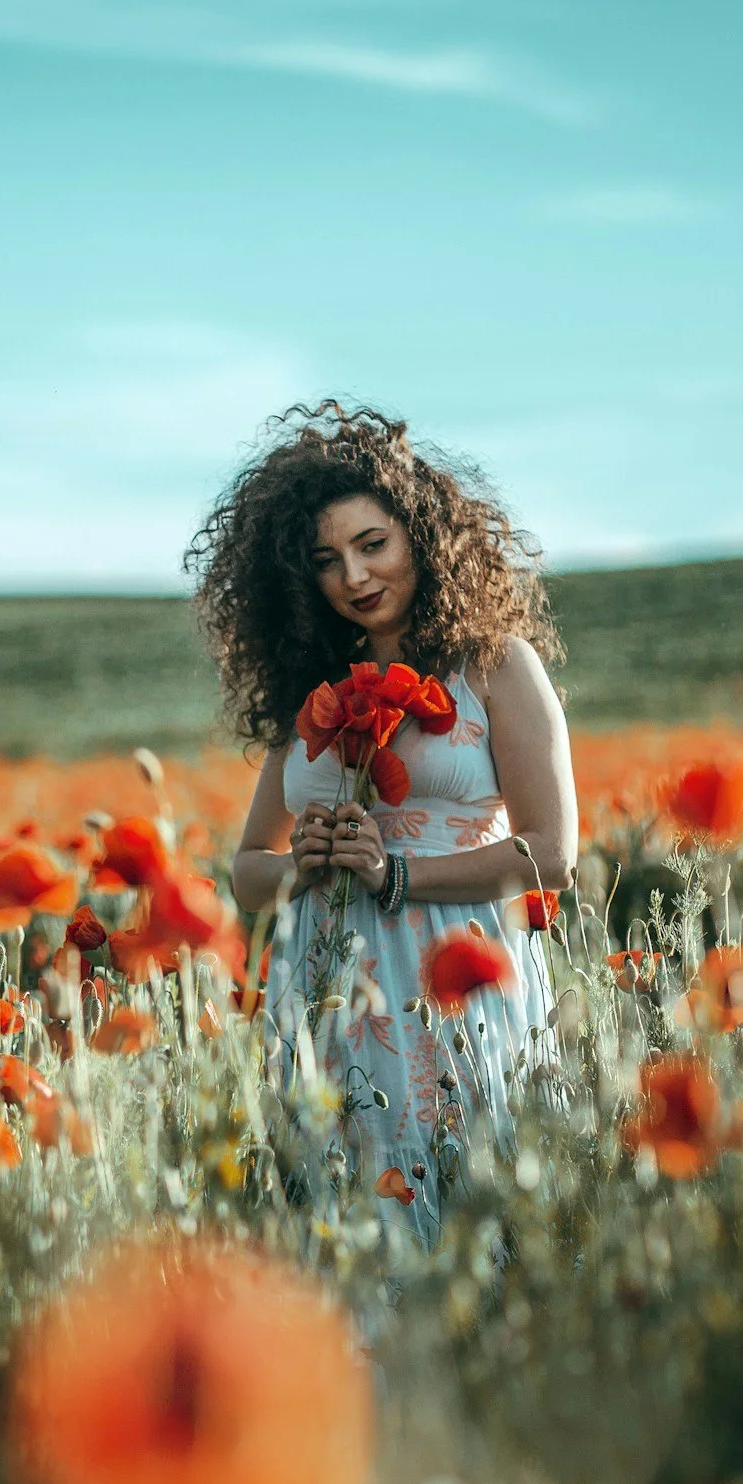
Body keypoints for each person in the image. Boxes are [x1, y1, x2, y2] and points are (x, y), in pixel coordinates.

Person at [187, 401, 577, 1243]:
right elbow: (248, 873)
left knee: (475, 1206)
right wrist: (306, 864)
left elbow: (554, 856)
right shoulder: (318, 687)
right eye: (327, 561)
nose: (355, 578)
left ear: (422, 537)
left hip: (458, 966)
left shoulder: (496, 663)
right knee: (353, 1217)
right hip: (333, 978)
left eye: (373, 545)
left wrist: (396, 875)